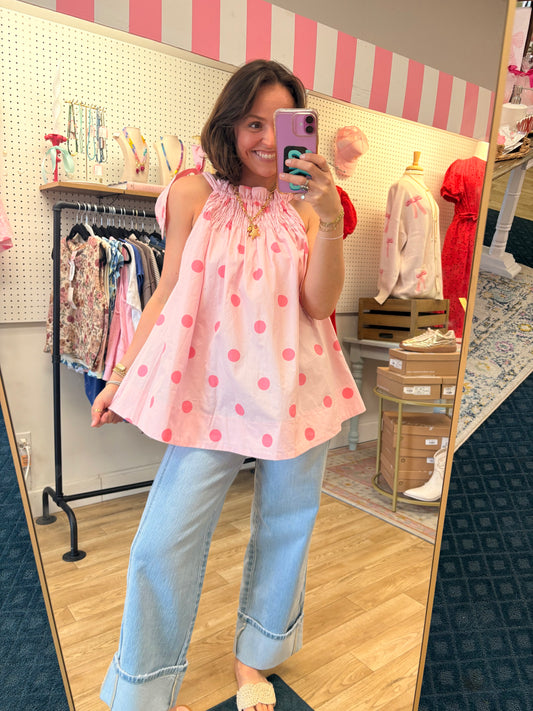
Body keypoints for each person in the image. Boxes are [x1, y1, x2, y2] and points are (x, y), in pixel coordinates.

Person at [91, 59, 365, 711]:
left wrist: (329, 220)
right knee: (162, 541)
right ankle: (143, 689)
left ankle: (255, 657)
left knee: (287, 526)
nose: (267, 139)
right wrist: (119, 376)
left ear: (303, 130)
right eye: (252, 123)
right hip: (210, 392)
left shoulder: (307, 207)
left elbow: (320, 304)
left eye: (282, 124)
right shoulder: (192, 194)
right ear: (230, 125)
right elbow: (164, 293)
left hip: (298, 387)